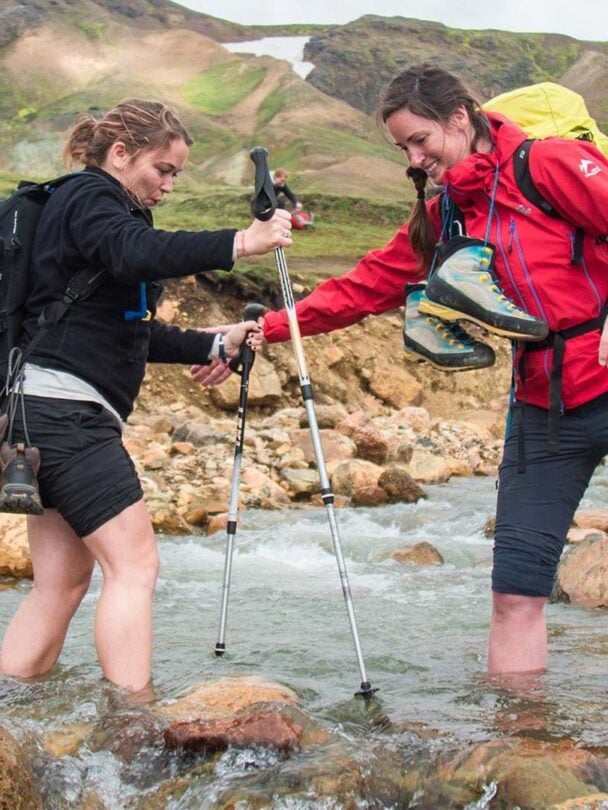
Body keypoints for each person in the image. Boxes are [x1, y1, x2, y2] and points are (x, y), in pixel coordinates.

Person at [199, 63, 608, 676]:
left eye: (421, 140)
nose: (415, 160)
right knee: (515, 593)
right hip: (543, 408)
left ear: (460, 117)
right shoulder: (447, 214)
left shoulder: (547, 165)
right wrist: (266, 329)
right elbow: (365, 287)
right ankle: (518, 732)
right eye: (402, 149)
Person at [0, 98, 292, 694]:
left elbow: (128, 332)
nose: (169, 185)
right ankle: (133, 719)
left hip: (36, 413)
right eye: (163, 169)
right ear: (120, 153)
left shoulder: (87, 211)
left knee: (63, 582)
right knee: (134, 566)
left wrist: (215, 344)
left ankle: (10, 712)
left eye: (175, 174)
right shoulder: (92, 197)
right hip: (68, 416)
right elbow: (137, 252)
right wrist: (241, 242)